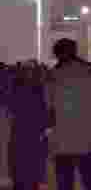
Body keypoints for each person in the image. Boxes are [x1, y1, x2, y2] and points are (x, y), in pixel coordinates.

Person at [48, 38, 91, 190]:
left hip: (63, 140)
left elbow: (49, 109)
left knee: (64, 183)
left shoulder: (53, 77)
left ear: (58, 54)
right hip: (90, 138)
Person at [8, 62, 49, 190]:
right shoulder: (40, 91)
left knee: (19, 173)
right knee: (32, 174)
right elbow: (44, 115)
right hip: (34, 137)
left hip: (19, 135)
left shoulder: (14, 90)